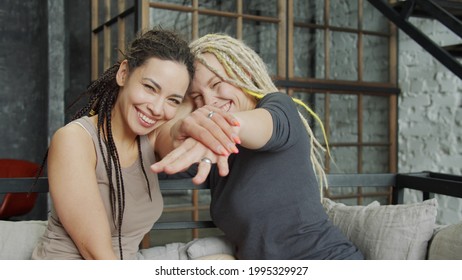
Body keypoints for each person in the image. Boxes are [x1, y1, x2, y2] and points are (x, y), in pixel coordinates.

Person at [152, 33, 364, 260]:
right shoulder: (212, 151)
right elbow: (159, 157)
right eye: (197, 97)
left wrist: (214, 122)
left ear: (244, 74)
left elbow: (254, 124)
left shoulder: (278, 108)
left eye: (217, 84)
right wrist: (185, 111)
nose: (209, 100)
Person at [32, 28, 196, 260]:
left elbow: (186, 120)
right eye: (150, 87)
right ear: (123, 73)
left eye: (172, 100)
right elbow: (98, 255)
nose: (157, 109)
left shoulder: (154, 137)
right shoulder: (75, 140)